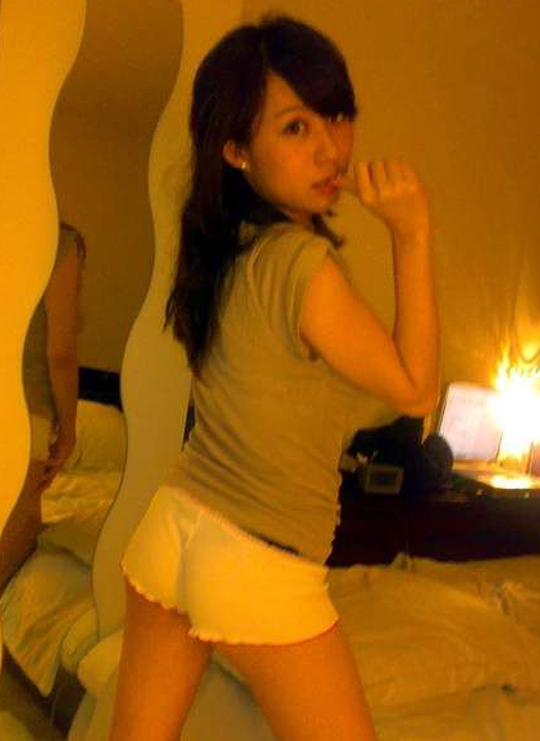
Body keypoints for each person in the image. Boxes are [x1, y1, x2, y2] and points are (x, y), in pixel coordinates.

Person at [109, 14, 438, 741]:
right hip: (257, 557)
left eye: (336, 115)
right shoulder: (303, 265)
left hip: (174, 527)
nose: (331, 148)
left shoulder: (230, 252)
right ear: (236, 150)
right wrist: (412, 234)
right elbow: (416, 390)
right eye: (295, 128)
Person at [0, 221, 85, 596]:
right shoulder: (59, 242)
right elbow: (59, 352)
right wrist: (68, 430)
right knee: (7, 544)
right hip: (25, 411)